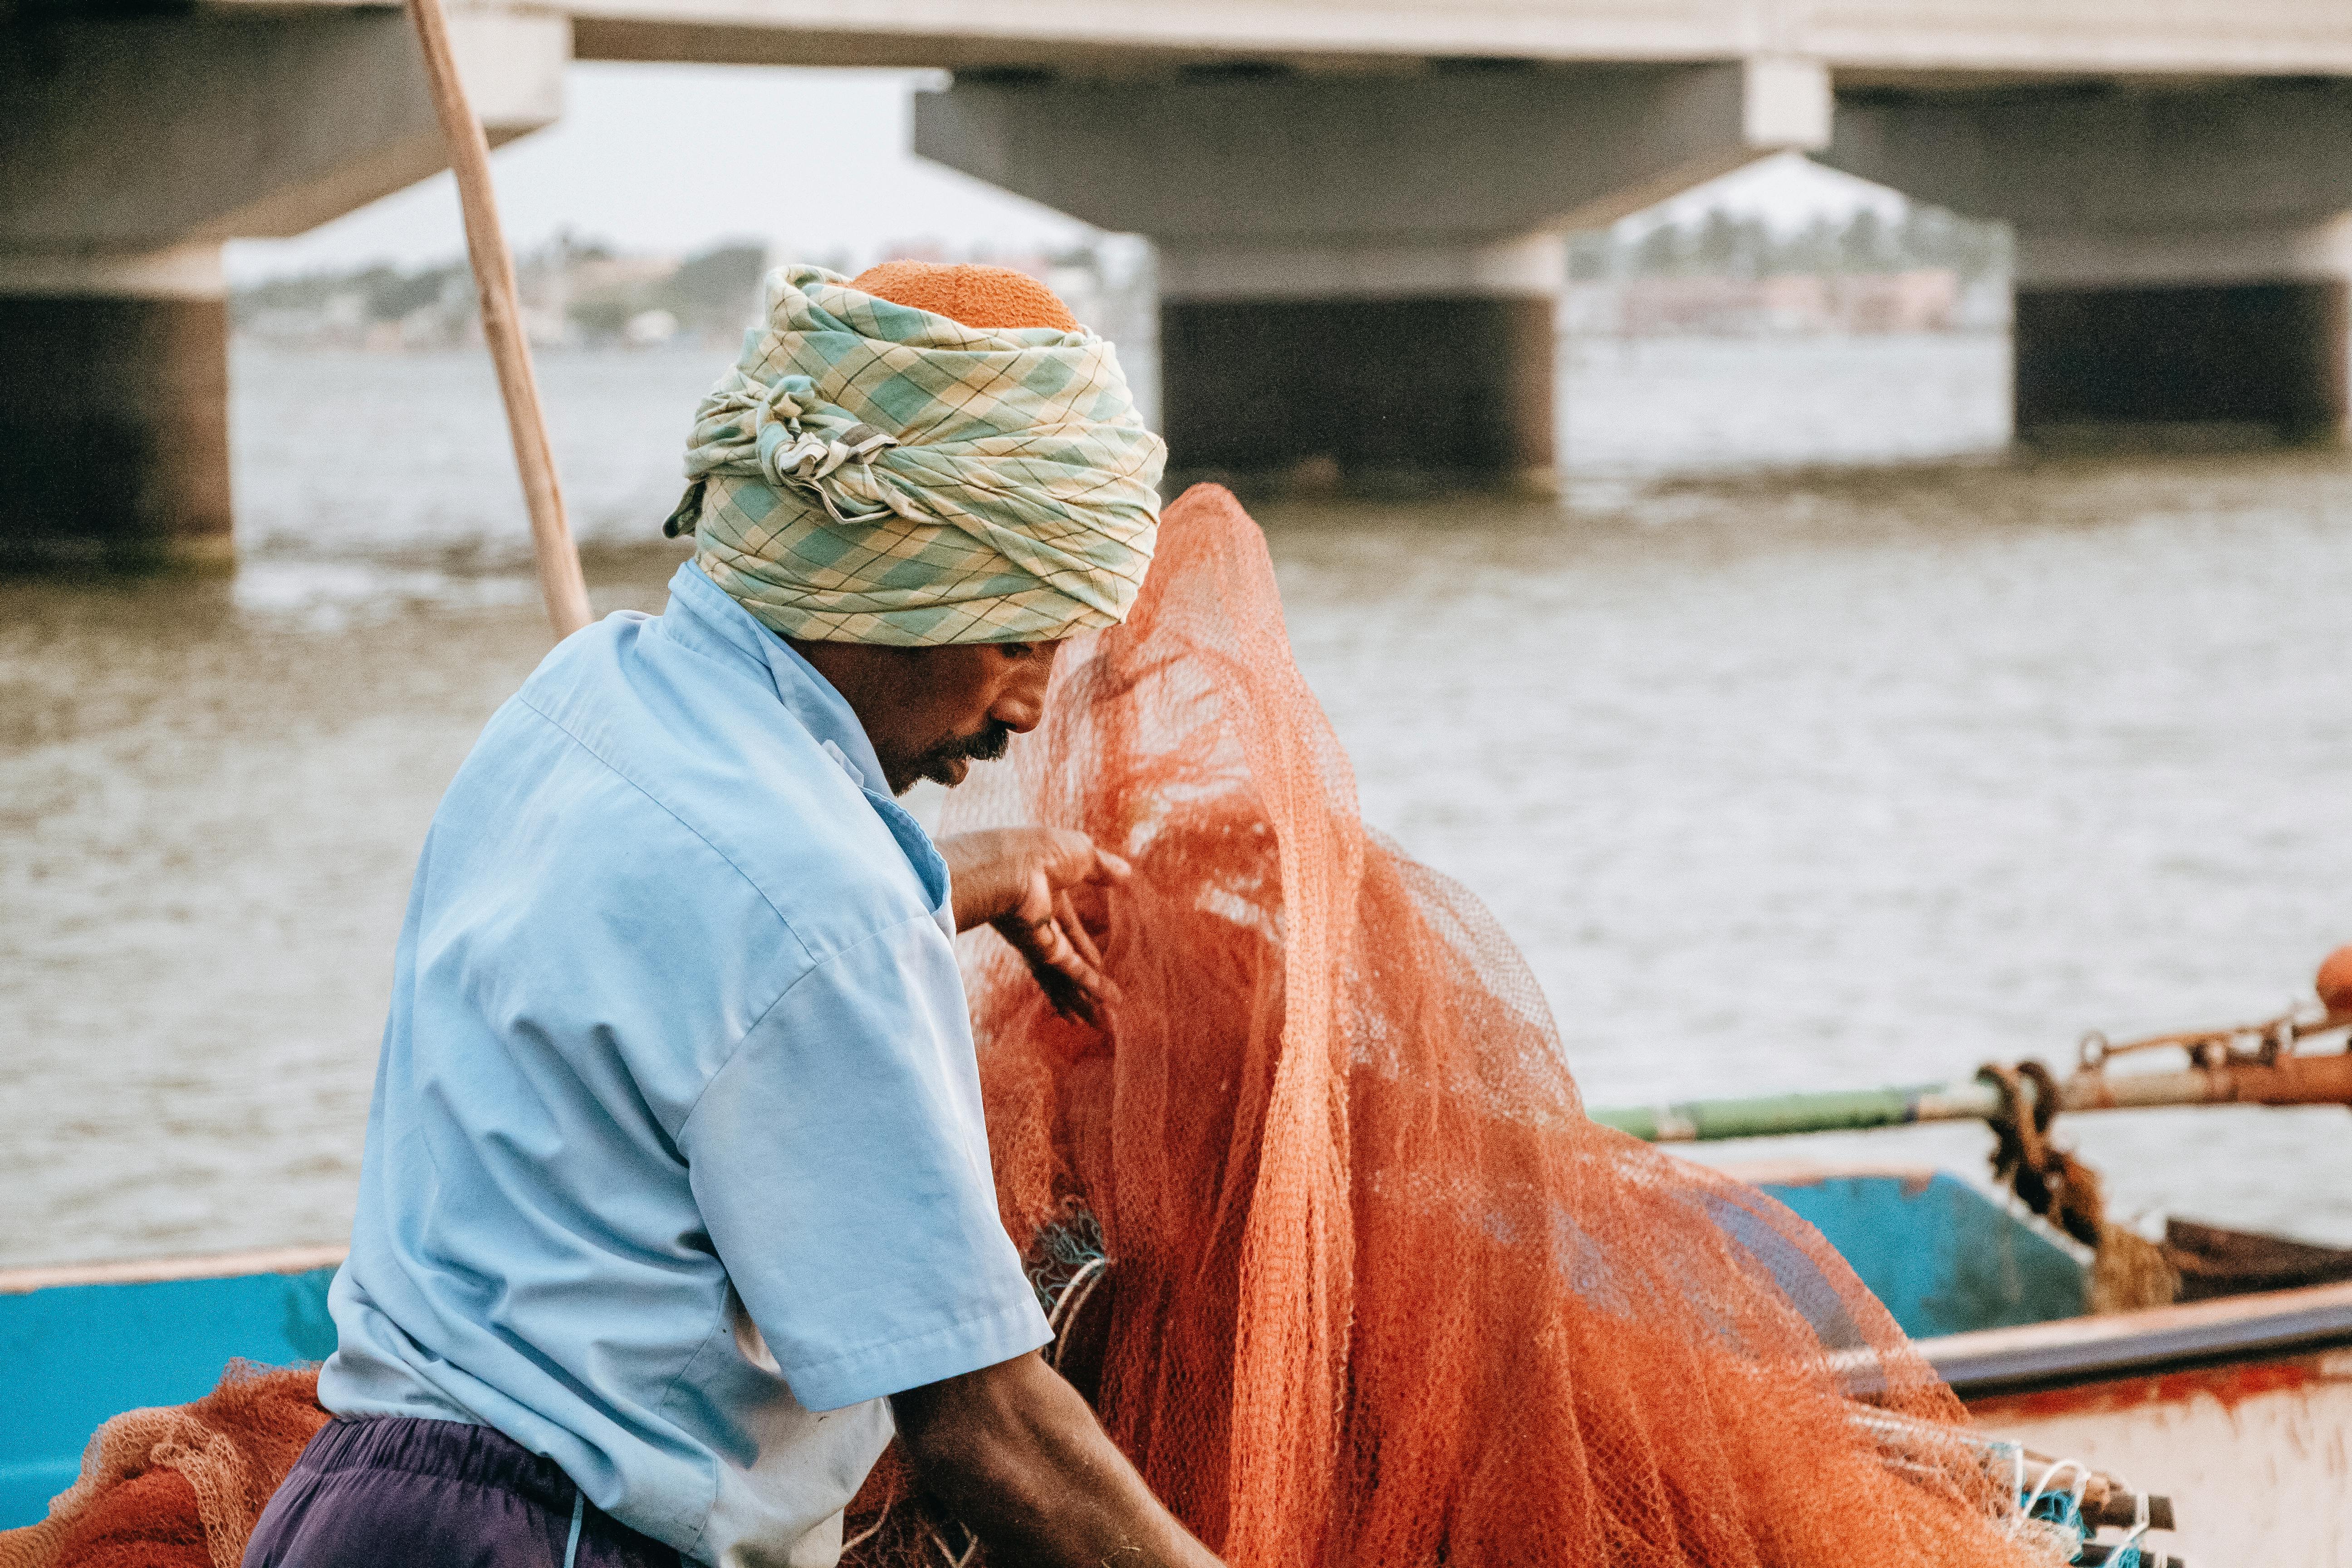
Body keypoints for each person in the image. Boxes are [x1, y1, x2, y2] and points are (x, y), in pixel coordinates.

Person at [244, 263, 1225, 1568]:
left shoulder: (578, 699)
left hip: (351, 1507)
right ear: (894, 584)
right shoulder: (819, 897)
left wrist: (961, 879)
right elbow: (980, 1423)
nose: (1032, 707)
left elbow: (699, 995)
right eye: (1022, 639)